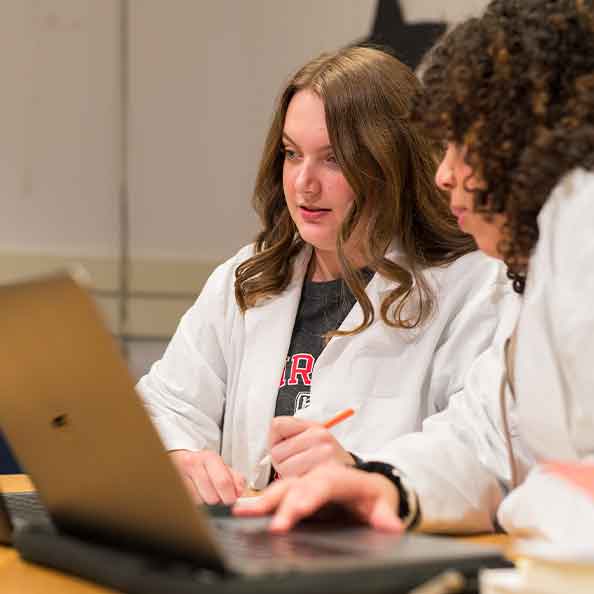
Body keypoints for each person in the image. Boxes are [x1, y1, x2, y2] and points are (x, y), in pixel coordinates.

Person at [235, 0, 594, 540]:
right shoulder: (542, 271)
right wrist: (385, 483)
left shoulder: (577, 223)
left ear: (532, 143)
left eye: (465, 145)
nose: (444, 175)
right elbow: (483, 440)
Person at [138, 46, 507, 505]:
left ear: (394, 164)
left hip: (381, 557)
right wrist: (179, 454)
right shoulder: (249, 274)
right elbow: (166, 404)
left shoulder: (471, 287)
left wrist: (360, 472)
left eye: (334, 159)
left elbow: (482, 454)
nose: (304, 183)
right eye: (293, 154)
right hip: (255, 550)